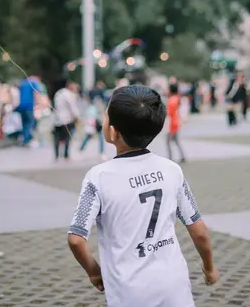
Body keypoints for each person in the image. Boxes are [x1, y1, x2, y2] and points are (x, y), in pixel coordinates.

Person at [67, 85, 218, 306]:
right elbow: (199, 231)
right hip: (173, 286)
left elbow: (76, 239)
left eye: (106, 116)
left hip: (128, 292)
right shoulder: (171, 170)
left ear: (113, 131)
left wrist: (94, 272)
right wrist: (209, 268)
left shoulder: (97, 178)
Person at [53, 80, 80, 160]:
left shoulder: (58, 93)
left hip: (57, 119)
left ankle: (57, 155)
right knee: (67, 137)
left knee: (57, 138)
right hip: (66, 119)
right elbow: (72, 106)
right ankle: (66, 155)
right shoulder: (68, 94)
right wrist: (77, 117)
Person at [79, 90, 106, 159]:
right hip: (96, 122)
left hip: (94, 122)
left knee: (90, 136)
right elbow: (100, 113)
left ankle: (82, 148)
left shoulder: (90, 105)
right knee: (99, 136)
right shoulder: (98, 103)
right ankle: (101, 151)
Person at [16, 76, 42, 146]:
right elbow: (36, 94)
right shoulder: (33, 83)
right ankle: (26, 140)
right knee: (30, 123)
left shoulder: (23, 83)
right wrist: (38, 104)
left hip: (21, 106)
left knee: (24, 123)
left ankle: (24, 138)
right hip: (29, 106)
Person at [166, 83, 186, 163]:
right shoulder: (177, 98)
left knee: (168, 141)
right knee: (176, 141)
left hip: (172, 123)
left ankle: (170, 157)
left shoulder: (172, 99)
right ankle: (182, 156)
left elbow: (169, 112)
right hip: (176, 122)